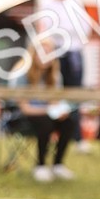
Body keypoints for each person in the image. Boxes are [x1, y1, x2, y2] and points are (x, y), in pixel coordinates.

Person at [9, 37, 76, 182]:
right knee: (45, 123)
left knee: (68, 122)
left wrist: (60, 111)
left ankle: (58, 164)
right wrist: (48, 110)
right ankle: (40, 165)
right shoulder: (22, 73)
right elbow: (25, 108)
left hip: (46, 113)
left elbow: (55, 101)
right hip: (21, 116)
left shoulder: (55, 75)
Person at [41, 0, 92, 148]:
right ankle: (56, 132)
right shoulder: (48, 4)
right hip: (56, 53)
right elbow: (47, 29)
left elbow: (85, 28)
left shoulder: (76, 4)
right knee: (56, 92)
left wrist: (66, 34)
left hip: (74, 52)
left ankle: (77, 136)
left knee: (74, 94)